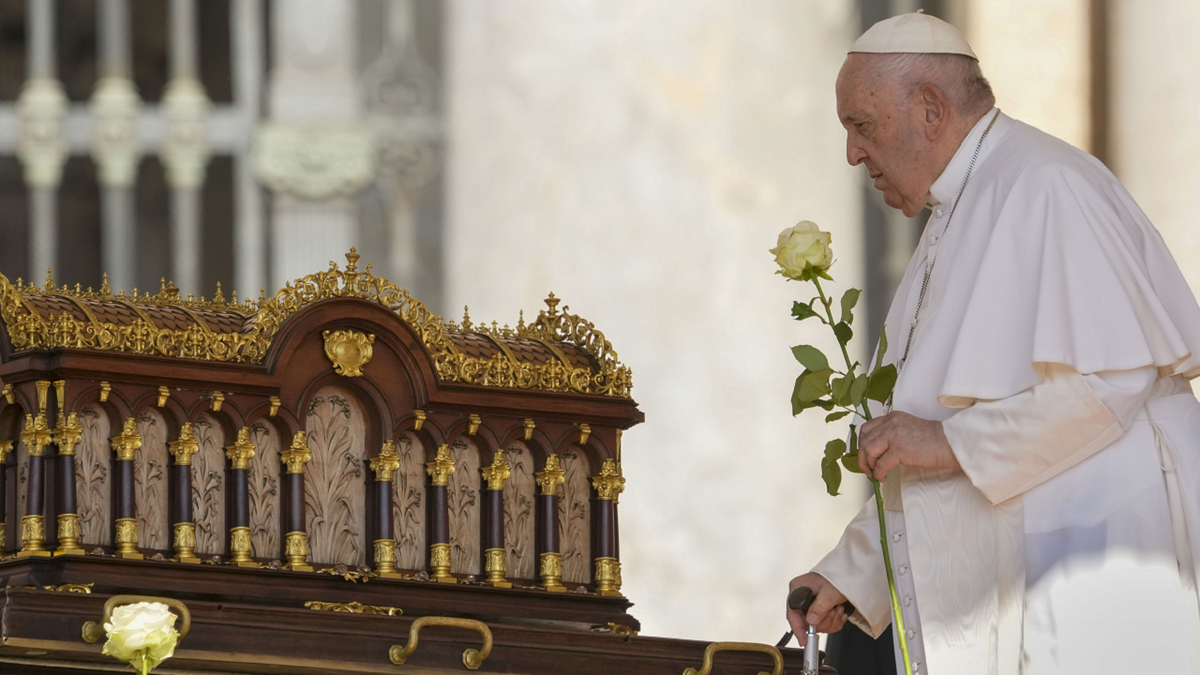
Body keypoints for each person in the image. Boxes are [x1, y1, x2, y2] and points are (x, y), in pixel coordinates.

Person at [786, 12, 1200, 674]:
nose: (853, 154)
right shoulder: (954, 217)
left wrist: (944, 442)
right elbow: (934, 438)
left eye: (861, 126)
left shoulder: (1046, 183)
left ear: (930, 110)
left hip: (1095, 553)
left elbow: (1107, 383)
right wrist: (853, 572)